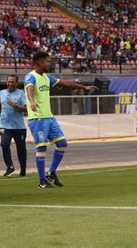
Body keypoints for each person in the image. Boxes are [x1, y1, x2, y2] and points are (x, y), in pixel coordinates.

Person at [24, 52, 98, 189]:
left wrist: (84, 87)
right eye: (47, 61)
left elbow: (65, 83)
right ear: (39, 62)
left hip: (49, 117)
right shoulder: (30, 76)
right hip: (38, 118)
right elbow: (29, 88)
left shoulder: (47, 77)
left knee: (62, 144)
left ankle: (51, 173)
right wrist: (32, 102)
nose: (49, 63)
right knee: (41, 148)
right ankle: (42, 181)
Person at [0, 75, 27, 177]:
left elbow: (26, 109)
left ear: (17, 83)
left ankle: (23, 169)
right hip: (5, 125)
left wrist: (16, 106)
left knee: (21, 148)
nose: (10, 84)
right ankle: (10, 166)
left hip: (19, 127)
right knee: (4, 144)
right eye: (9, 82)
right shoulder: (1, 93)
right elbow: (0, 105)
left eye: (13, 82)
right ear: (6, 82)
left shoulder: (21, 93)